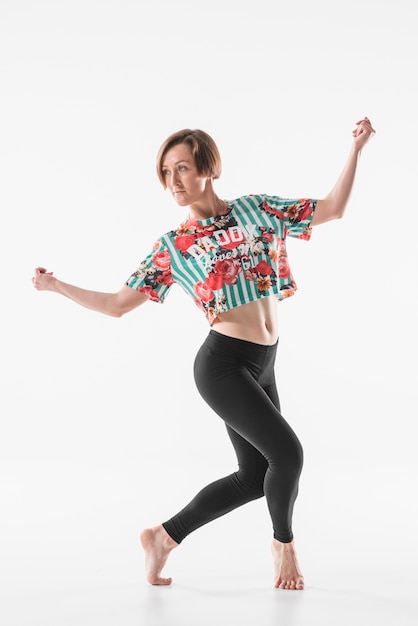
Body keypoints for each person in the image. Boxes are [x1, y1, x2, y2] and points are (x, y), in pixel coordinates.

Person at [32, 117, 375, 590]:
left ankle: (162, 537)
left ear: (208, 168)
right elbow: (116, 306)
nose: (174, 182)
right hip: (223, 366)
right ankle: (284, 549)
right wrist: (55, 286)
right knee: (289, 456)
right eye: (166, 173)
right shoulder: (175, 247)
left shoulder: (259, 210)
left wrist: (357, 149)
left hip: (265, 362)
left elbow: (333, 208)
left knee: (255, 477)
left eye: (183, 169)